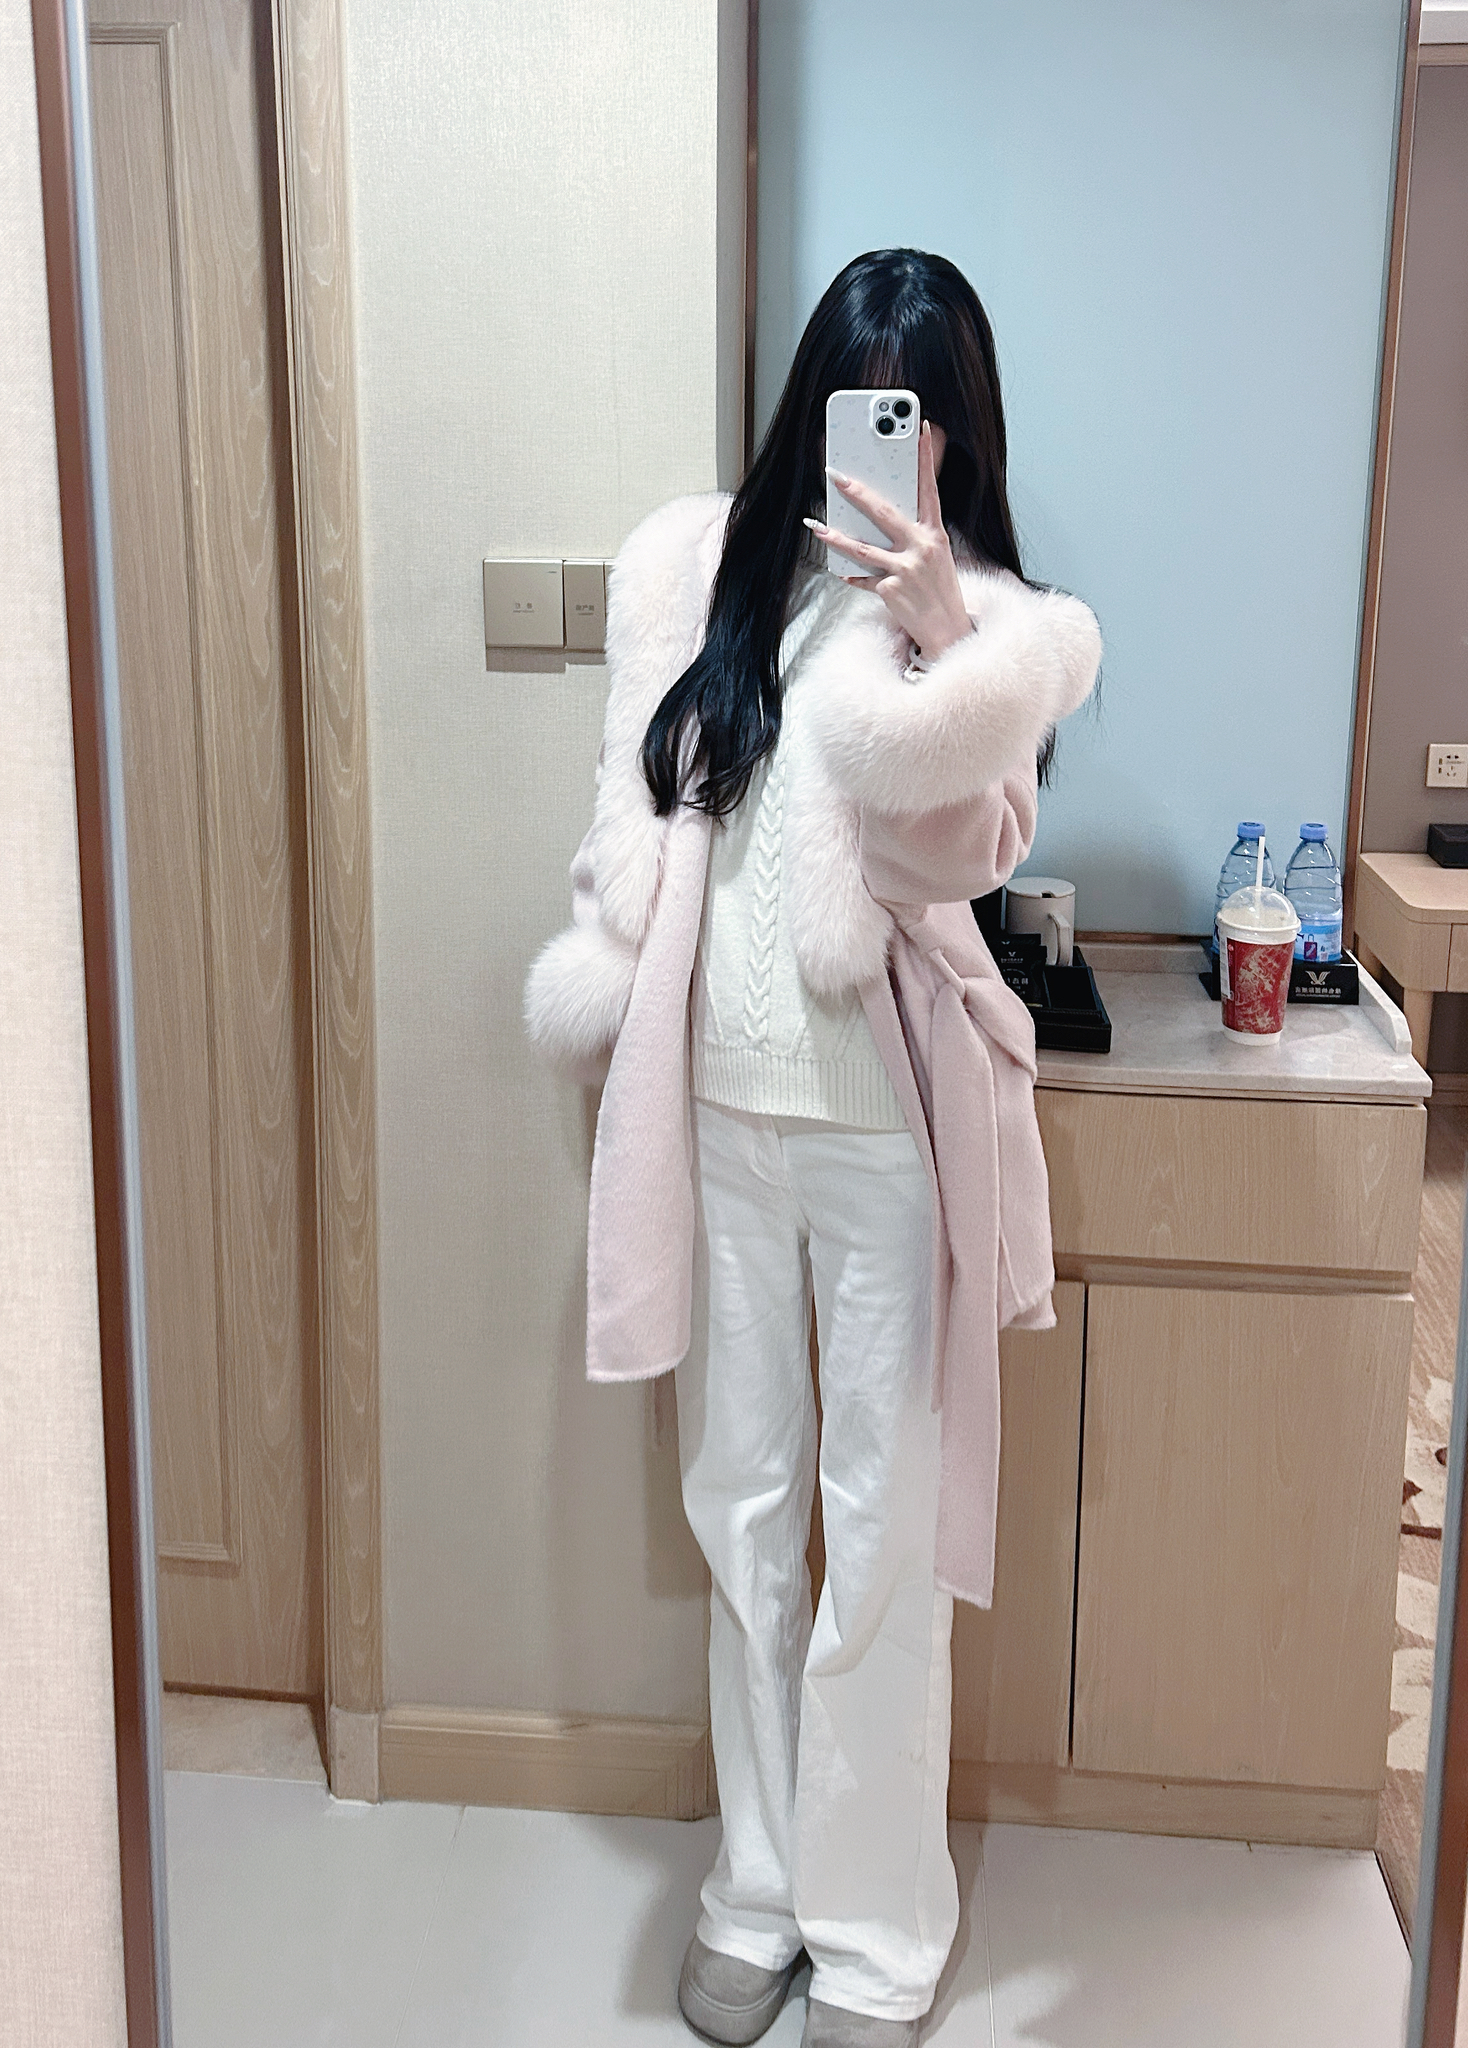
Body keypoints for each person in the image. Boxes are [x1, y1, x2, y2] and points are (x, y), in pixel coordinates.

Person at [525, 249, 1100, 2048]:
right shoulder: (702, 587)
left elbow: (966, 856)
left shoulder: (993, 628)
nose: (887, 447)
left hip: (881, 1147)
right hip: (719, 1125)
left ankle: (873, 1939)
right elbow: (641, 820)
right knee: (742, 1510)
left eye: (917, 419)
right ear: (813, 407)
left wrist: (937, 641)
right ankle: (758, 1887)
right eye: (862, 403)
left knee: (881, 1525)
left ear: (956, 439)